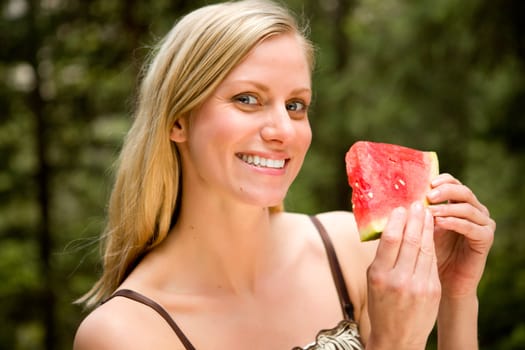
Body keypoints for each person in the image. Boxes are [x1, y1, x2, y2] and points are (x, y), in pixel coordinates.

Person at [73, 0, 496, 349]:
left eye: (296, 105)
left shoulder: (351, 253)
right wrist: (392, 343)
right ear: (178, 120)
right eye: (247, 99)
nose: (282, 131)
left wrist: (456, 295)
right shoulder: (123, 333)